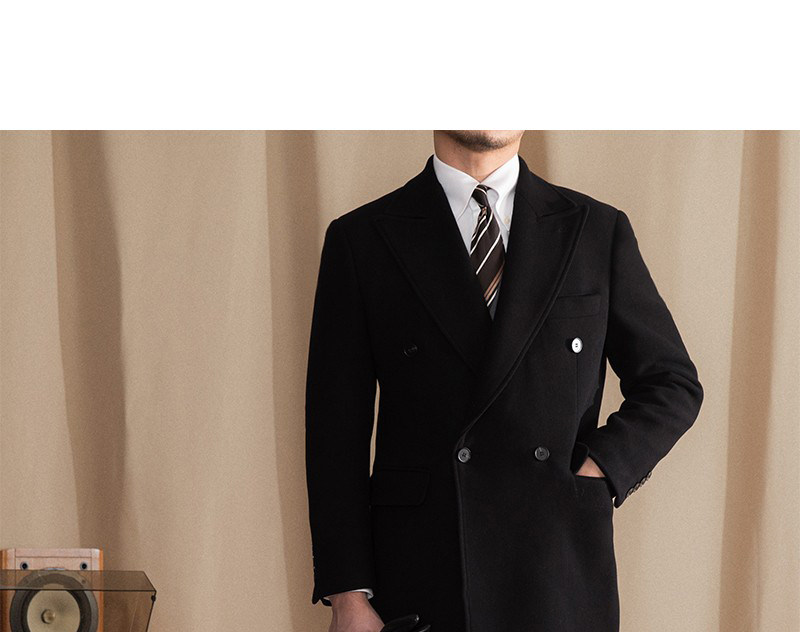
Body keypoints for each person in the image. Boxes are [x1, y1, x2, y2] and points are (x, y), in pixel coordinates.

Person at [305, 131, 704, 632]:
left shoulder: (595, 229)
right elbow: (334, 433)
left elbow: (672, 382)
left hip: (557, 567)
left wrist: (601, 467)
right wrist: (347, 594)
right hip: (424, 572)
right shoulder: (363, 238)